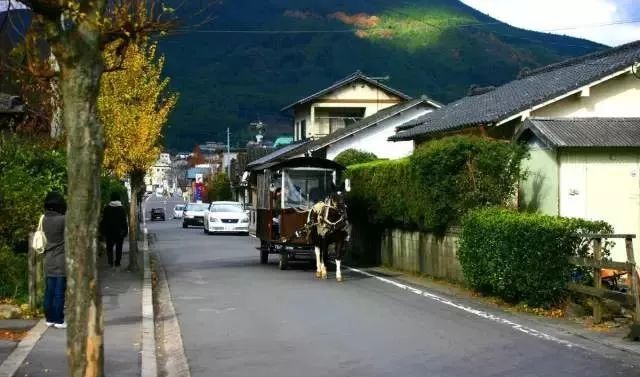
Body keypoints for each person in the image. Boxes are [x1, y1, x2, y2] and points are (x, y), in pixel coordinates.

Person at [42, 191, 67, 329]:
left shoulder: (43, 219)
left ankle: (49, 317)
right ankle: (58, 319)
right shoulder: (63, 219)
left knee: (49, 290)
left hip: (48, 259)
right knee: (59, 291)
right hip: (61, 259)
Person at [100, 192, 128, 268]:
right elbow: (124, 221)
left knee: (109, 248)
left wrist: (103, 231)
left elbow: (104, 221)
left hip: (109, 232)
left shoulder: (107, 208)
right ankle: (118, 262)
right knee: (119, 248)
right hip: (119, 232)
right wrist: (125, 231)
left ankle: (110, 262)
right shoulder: (122, 209)